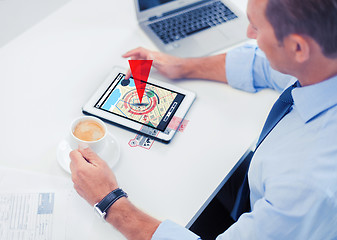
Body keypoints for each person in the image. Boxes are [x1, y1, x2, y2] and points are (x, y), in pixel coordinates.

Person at [69, 0, 337, 239]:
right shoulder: (323, 62)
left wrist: (109, 202)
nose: (248, 34)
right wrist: (182, 66)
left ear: (298, 47)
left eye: (257, 27)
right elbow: (263, 65)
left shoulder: (309, 186)